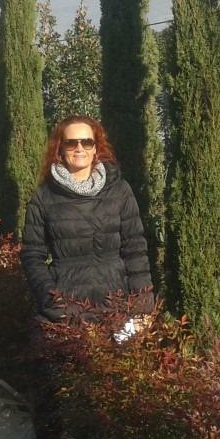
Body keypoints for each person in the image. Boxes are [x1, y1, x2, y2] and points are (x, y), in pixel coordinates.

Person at [20, 115, 154, 326]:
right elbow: (32, 256)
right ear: (60, 149)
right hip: (66, 312)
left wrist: (142, 305)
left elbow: (135, 249)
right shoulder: (44, 197)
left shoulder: (120, 190)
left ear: (96, 148)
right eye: (71, 142)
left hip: (117, 309)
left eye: (87, 142)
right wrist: (52, 300)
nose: (79, 148)